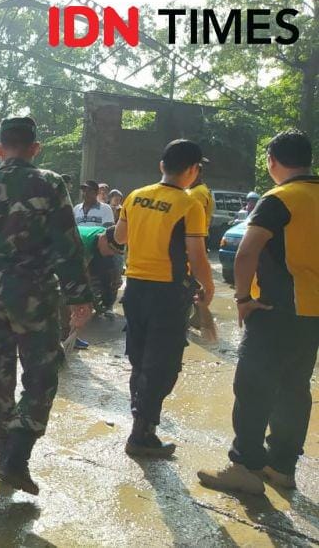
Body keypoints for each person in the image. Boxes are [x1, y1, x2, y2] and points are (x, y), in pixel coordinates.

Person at [0, 117, 93, 495]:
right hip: (34, 294)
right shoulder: (50, 183)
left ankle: (6, 456)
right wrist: (80, 296)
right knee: (42, 373)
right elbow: (68, 244)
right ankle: (16, 458)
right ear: (36, 149)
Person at [197, 131, 319, 495]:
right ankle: (281, 467)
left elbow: (247, 252)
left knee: (253, 386)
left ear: (272, 160)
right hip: (312, 315)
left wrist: (242, 298)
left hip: (275, 309)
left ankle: (245, 466)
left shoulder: (279, 198)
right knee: (295, 388)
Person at [112, 139, 213, 458]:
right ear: (193, 170)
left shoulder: (135, 196)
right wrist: (207, 288)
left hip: (135, 288)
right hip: (168, 293)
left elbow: (119, 238)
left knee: (140, 360)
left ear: (162, 166)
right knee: (164, 364)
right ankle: (142, 434)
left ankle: (139, 424)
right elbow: (196, 256)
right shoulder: (189, 204)